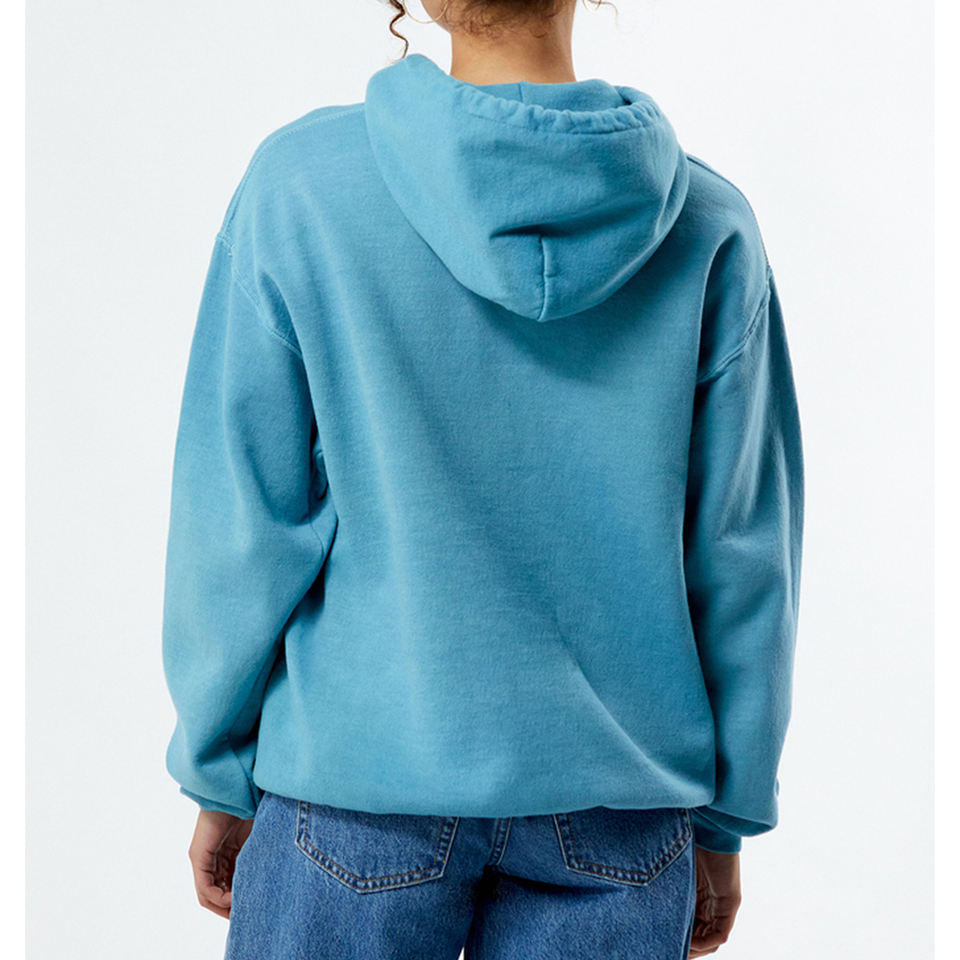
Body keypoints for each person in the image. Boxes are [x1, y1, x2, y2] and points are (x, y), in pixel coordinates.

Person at [160, 1, 804, 957]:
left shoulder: (304, 190)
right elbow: (742, 558)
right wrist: (725, 818)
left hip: (353, 793)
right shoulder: (710, 228)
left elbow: (243, 523)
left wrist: (217, 768)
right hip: (620, 814)